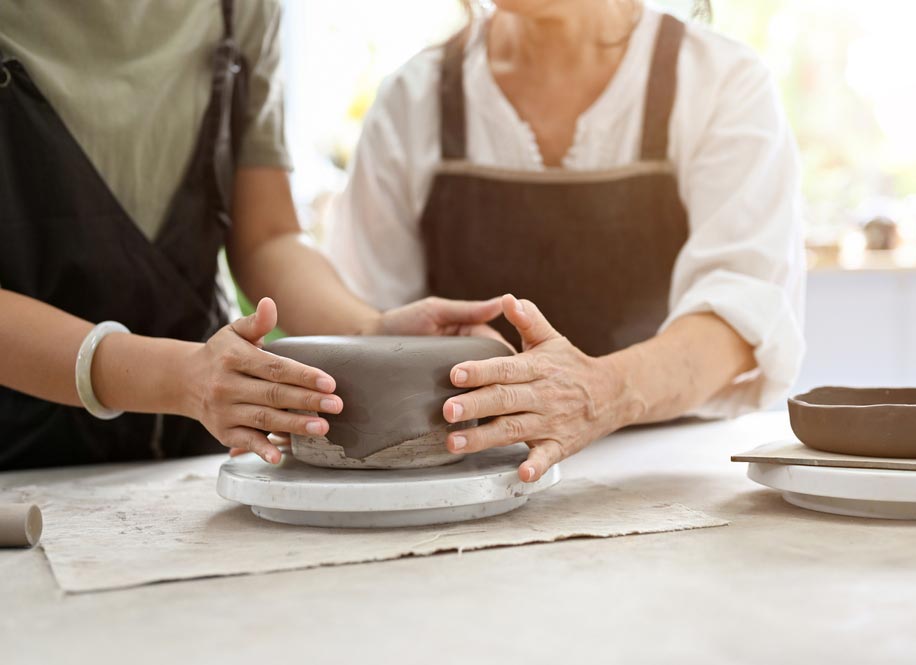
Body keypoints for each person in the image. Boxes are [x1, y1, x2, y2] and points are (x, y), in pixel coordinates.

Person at [0, 1, 502, 470]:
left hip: (188, 449)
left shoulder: (239, 8)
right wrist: (181, 378)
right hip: (19, 460)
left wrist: (371, 335)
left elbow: (267, 236)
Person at [327, 0, 806, 482]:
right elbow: (373, 322)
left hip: (667, 473)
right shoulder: (413, 96)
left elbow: (742, 314)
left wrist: (601, 392)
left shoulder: (720, 80)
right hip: (466, 474)